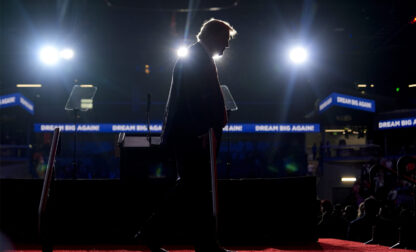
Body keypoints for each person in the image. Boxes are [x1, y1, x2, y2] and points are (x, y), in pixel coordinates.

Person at [138, 18, 237, 252]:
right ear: (213, 36)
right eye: (225, 40)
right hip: (194, 135)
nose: (227, 46)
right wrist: (204, 130)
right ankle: (153, 234)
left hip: (192, 133)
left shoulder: (197, 56)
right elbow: (194, 99)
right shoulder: (197, 58)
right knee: (193, 188)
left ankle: (200, 243)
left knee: (196, 190)